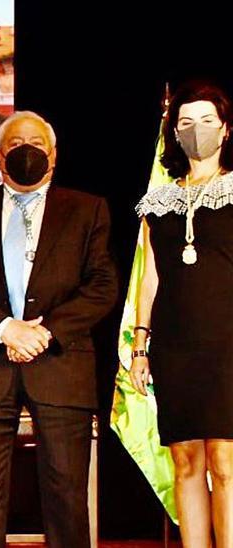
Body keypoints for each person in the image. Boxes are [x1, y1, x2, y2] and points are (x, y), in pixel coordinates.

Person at [0, 111, 117, 548]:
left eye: (35, 144)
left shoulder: (87, 209)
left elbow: (103, 285)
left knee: (67, 497)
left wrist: (43, 333)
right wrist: (4, 329)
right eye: (15, 145)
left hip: (60, 364)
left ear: (53, 156)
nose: (26, 152)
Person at [131, 80, 233, 548]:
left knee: (225, 464)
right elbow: (150, 277)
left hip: (226, 344)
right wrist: (139, 346)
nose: (197, 130)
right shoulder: (158, 202)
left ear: (226, 129)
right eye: (186, 122)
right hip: (174, 347)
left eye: (207, 121)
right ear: (174, 132)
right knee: (186, 461)